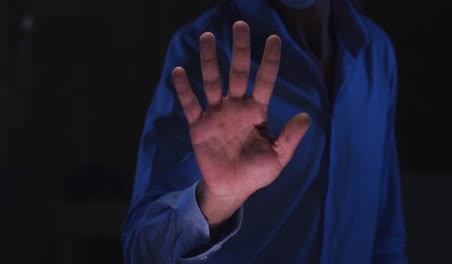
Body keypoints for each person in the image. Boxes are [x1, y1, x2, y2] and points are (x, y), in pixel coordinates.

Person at [122, 0, 408, 263]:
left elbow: (386, 234)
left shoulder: (375, 53)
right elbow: (142, 251)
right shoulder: (205, 48)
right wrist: (216, 202)